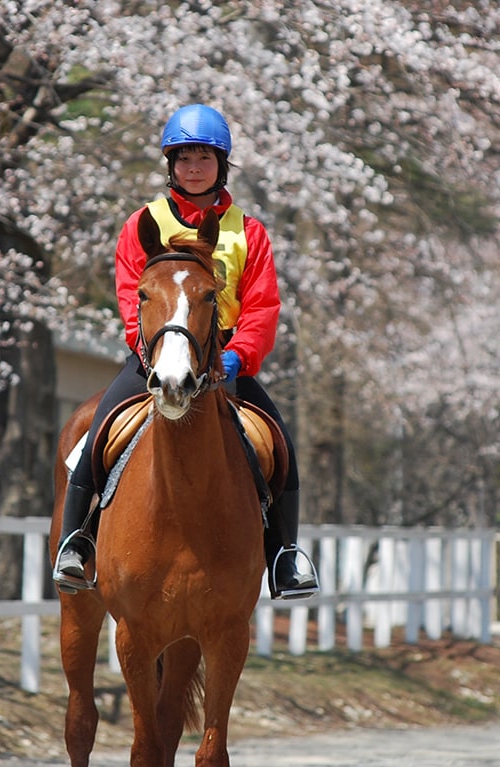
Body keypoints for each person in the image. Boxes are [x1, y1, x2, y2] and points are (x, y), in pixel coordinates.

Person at [54, 104, 318, 600]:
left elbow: (261, 306)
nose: (194, 167)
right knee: (93, 440)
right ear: (170, 164)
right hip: (156, 360)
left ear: (221, 164)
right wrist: (155, 354)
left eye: (204, 157)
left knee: (281, 445)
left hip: (223, 366)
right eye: (184, 157)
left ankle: (285, 555)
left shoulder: (249, 232)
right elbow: (132, 299)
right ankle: (76, 542)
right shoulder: (142, 224)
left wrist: (238, 357)